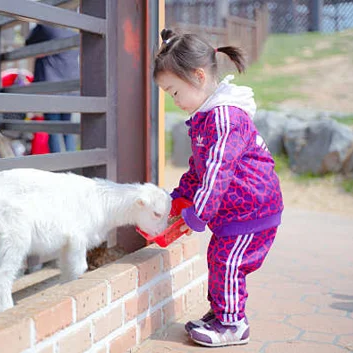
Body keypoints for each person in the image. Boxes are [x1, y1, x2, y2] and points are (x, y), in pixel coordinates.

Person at [154, 29, 283, 347]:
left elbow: (218, 172)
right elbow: (199, 168)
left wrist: (198, 213)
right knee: (219, 258)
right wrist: (181, 197)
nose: (174, 101)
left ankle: (233, 324)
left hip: (252, 209)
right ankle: (222, 313)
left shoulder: (225, 118)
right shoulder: (205, 118)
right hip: (234, 211)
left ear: (198, 76)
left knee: (229, 262)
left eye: (174, 92)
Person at [25, 23, 79, 153]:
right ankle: (71, 163)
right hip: (70, 86)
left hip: (51, 87)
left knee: (52, 128)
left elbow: (28, 42)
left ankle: (58, 164)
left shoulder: (45, 28)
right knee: (67, 129)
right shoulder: (72, 33)